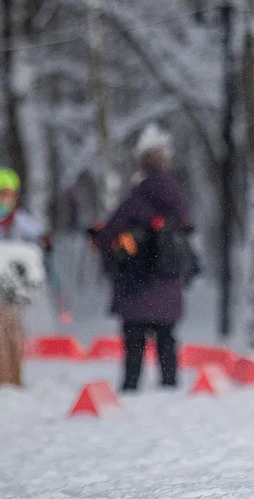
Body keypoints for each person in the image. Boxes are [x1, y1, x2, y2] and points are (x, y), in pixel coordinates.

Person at [96, 124, 192, 392]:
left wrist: (112, 261)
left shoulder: (135, 201)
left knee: (134, 342)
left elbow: (108, 237)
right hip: (168, 284)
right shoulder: (178, 199)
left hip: (136, 285)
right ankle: (170, 386)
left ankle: (131, 387)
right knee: (167, 340)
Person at [0, 168, 46, 245]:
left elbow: (36, 231)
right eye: (4, 194)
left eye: (12, 195)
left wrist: (44, 240)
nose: (7, 200)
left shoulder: (15, 216)